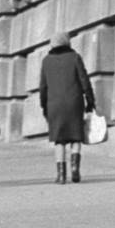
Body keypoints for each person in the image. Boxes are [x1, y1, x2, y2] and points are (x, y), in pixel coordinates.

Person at [37, 31, 94, 184]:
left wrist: (43, 105)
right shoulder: (75, 57)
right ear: (67, 42)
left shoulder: (46, 61)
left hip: (54, 104)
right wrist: (90, 101)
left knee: (59, 139)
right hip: (74, 102)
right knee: (76, 136)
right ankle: (75, 169)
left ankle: (61, 175)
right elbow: (84, 81)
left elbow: (43, 87)